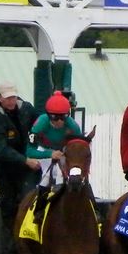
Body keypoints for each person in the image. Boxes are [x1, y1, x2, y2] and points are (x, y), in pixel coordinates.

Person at [0, 81, 42, 224]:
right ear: (0, 98)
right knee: (8, 203)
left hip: (25, 166)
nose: (11, 101)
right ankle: (11, 236)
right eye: (8, 98)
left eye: (13, 97)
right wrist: (26, 160)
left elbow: (40, 123)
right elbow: (0, 150)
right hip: (2, 169)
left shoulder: (26, 109)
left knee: (29, 197)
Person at [27, 91, 85, 225]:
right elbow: (29, 151)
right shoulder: (41, 123)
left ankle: (92, 209)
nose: (59, 121)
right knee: (47, 177)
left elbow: (79, 150)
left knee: (75, 176)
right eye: (54, 117)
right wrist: (49, 154)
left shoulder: (73, 127)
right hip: (44, 151)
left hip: (64, 152)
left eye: (63, 117)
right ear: (48, 115)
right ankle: (39, 211)